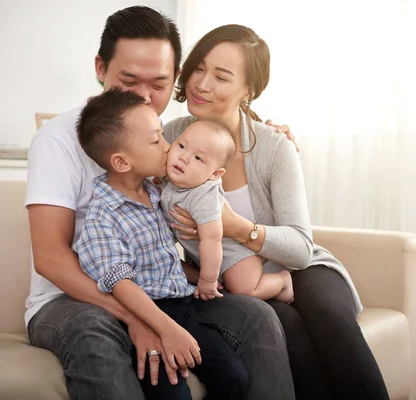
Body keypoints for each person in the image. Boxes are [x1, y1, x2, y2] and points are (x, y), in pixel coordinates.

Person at [25, 6, 295, 400]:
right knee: (93, 333)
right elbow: (50, 258)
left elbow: (211, 161)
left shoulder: (165, 140)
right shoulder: (57, 140)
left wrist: (273, 132)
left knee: (255, 316)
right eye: (129, 81)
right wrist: (138, 319)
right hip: (70, 300)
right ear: (100, 67)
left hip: (159, 292)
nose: (145, 98)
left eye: (159, 84)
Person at [163, 24, 390, 400]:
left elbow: (301, 248)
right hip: (238, 281)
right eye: (198, 69)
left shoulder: (272, 146)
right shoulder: (172, 136)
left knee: (329, 317)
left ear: (248, 91)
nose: (201, 84)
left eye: (221, 76)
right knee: (286, 328)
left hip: (300, 267)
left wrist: (237, 227)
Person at [72, 88, 248, 399]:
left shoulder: (158, 192)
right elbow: (121, 285)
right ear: (122, 162)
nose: (169, 148)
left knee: (234, 377)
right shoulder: (103, 216)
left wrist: (211, 277)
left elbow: (163, 259)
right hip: (144, 316)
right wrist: (166, 329)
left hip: (182, 307)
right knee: (172, 395)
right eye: (158, 141)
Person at [160, 119, 294, 303]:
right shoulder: (171, 182)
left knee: (243, 290)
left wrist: (208, 280)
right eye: (181, 146)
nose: (184, 157)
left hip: (236, 255)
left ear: (215, 174)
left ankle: (282, 281)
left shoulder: (203, 196)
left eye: (198, 158)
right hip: (211, 261)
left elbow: (212, 240)